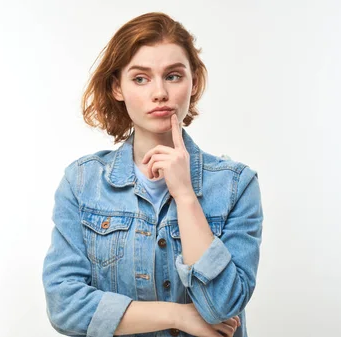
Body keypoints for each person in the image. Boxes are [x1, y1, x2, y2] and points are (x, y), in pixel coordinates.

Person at [42, 12, 263, 337]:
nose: (159, 92)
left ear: (194, 82)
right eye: (141, 78)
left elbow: (223, 306)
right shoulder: (82, 182)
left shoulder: (236, 186)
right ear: (117, 87)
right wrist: (178, 316)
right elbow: (64, 305)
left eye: (173, 76)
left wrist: (186, 196)